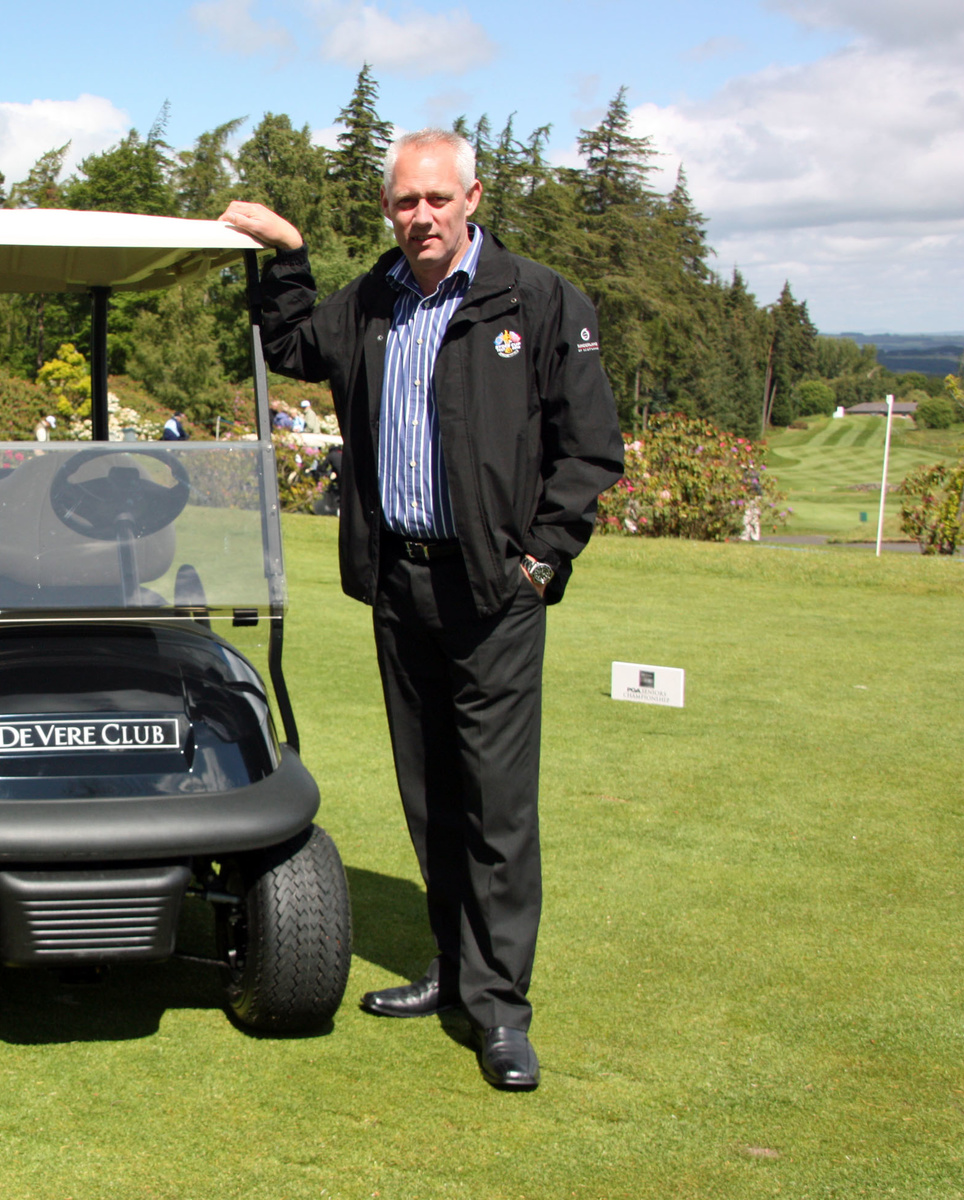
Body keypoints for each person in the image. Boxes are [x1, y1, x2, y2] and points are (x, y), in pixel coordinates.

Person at [222, 129, 623, 1091]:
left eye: (438, 200)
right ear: (390, 207)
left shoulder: (536, 299)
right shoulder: (371, 300)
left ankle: (499, 1010)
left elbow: (590, 448)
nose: (422, 218)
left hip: (495, 590)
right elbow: (284, 344)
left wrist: (540, 563)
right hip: (400, 583)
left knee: (497, 809)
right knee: (430, 794)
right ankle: (451, 971)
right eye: (406, 203)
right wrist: (286, 255)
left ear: (472, 197)